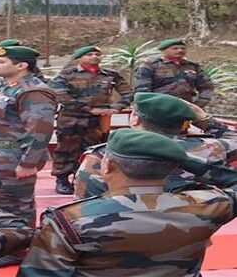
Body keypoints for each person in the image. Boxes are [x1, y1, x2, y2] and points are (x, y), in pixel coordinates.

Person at [19, 128, 237, 276]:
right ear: (174, 167)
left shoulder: (68, 220)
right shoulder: (210, 206)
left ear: (107, 166)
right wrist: (189, 161)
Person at [74, 92, 237, 199]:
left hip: (118, 233)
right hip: (189, 231)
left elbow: (83, 202)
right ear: (183, 125)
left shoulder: (102, 155)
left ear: (135, 119)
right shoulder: (211, 148)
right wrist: (205, 119)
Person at [0, 45, 57, 267]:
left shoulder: (32, 92)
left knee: (15, 205)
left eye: (0, 62)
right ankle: (2, 244)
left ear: (21, 65)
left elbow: (40, 130)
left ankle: (16, 249)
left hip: (13, 157)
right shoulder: (8, 85)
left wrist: (29, 163)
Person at [48, 45, 133, 195]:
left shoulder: (110, 75)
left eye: (97, 54)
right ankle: (62, 179)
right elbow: (60, 94)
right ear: (79, 58)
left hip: (99, 121)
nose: (94, 57)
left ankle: (88, 179)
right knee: (66, 149)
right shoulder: (67, 74)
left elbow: (128, 93)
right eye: (89, 55)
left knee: (96, 149)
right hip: (72, 118)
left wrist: (117, 107)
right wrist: (88, 109)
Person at [134, 38, 214, 108]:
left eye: (183, 48)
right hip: (158, 108)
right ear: (163, 51)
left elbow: (207, 87)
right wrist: (151, 106)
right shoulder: (150, 66)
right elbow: (142, 91)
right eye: (175, 48)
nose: (180, 51)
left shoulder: (193, 67)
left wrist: (198, 105)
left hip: (185, 108)